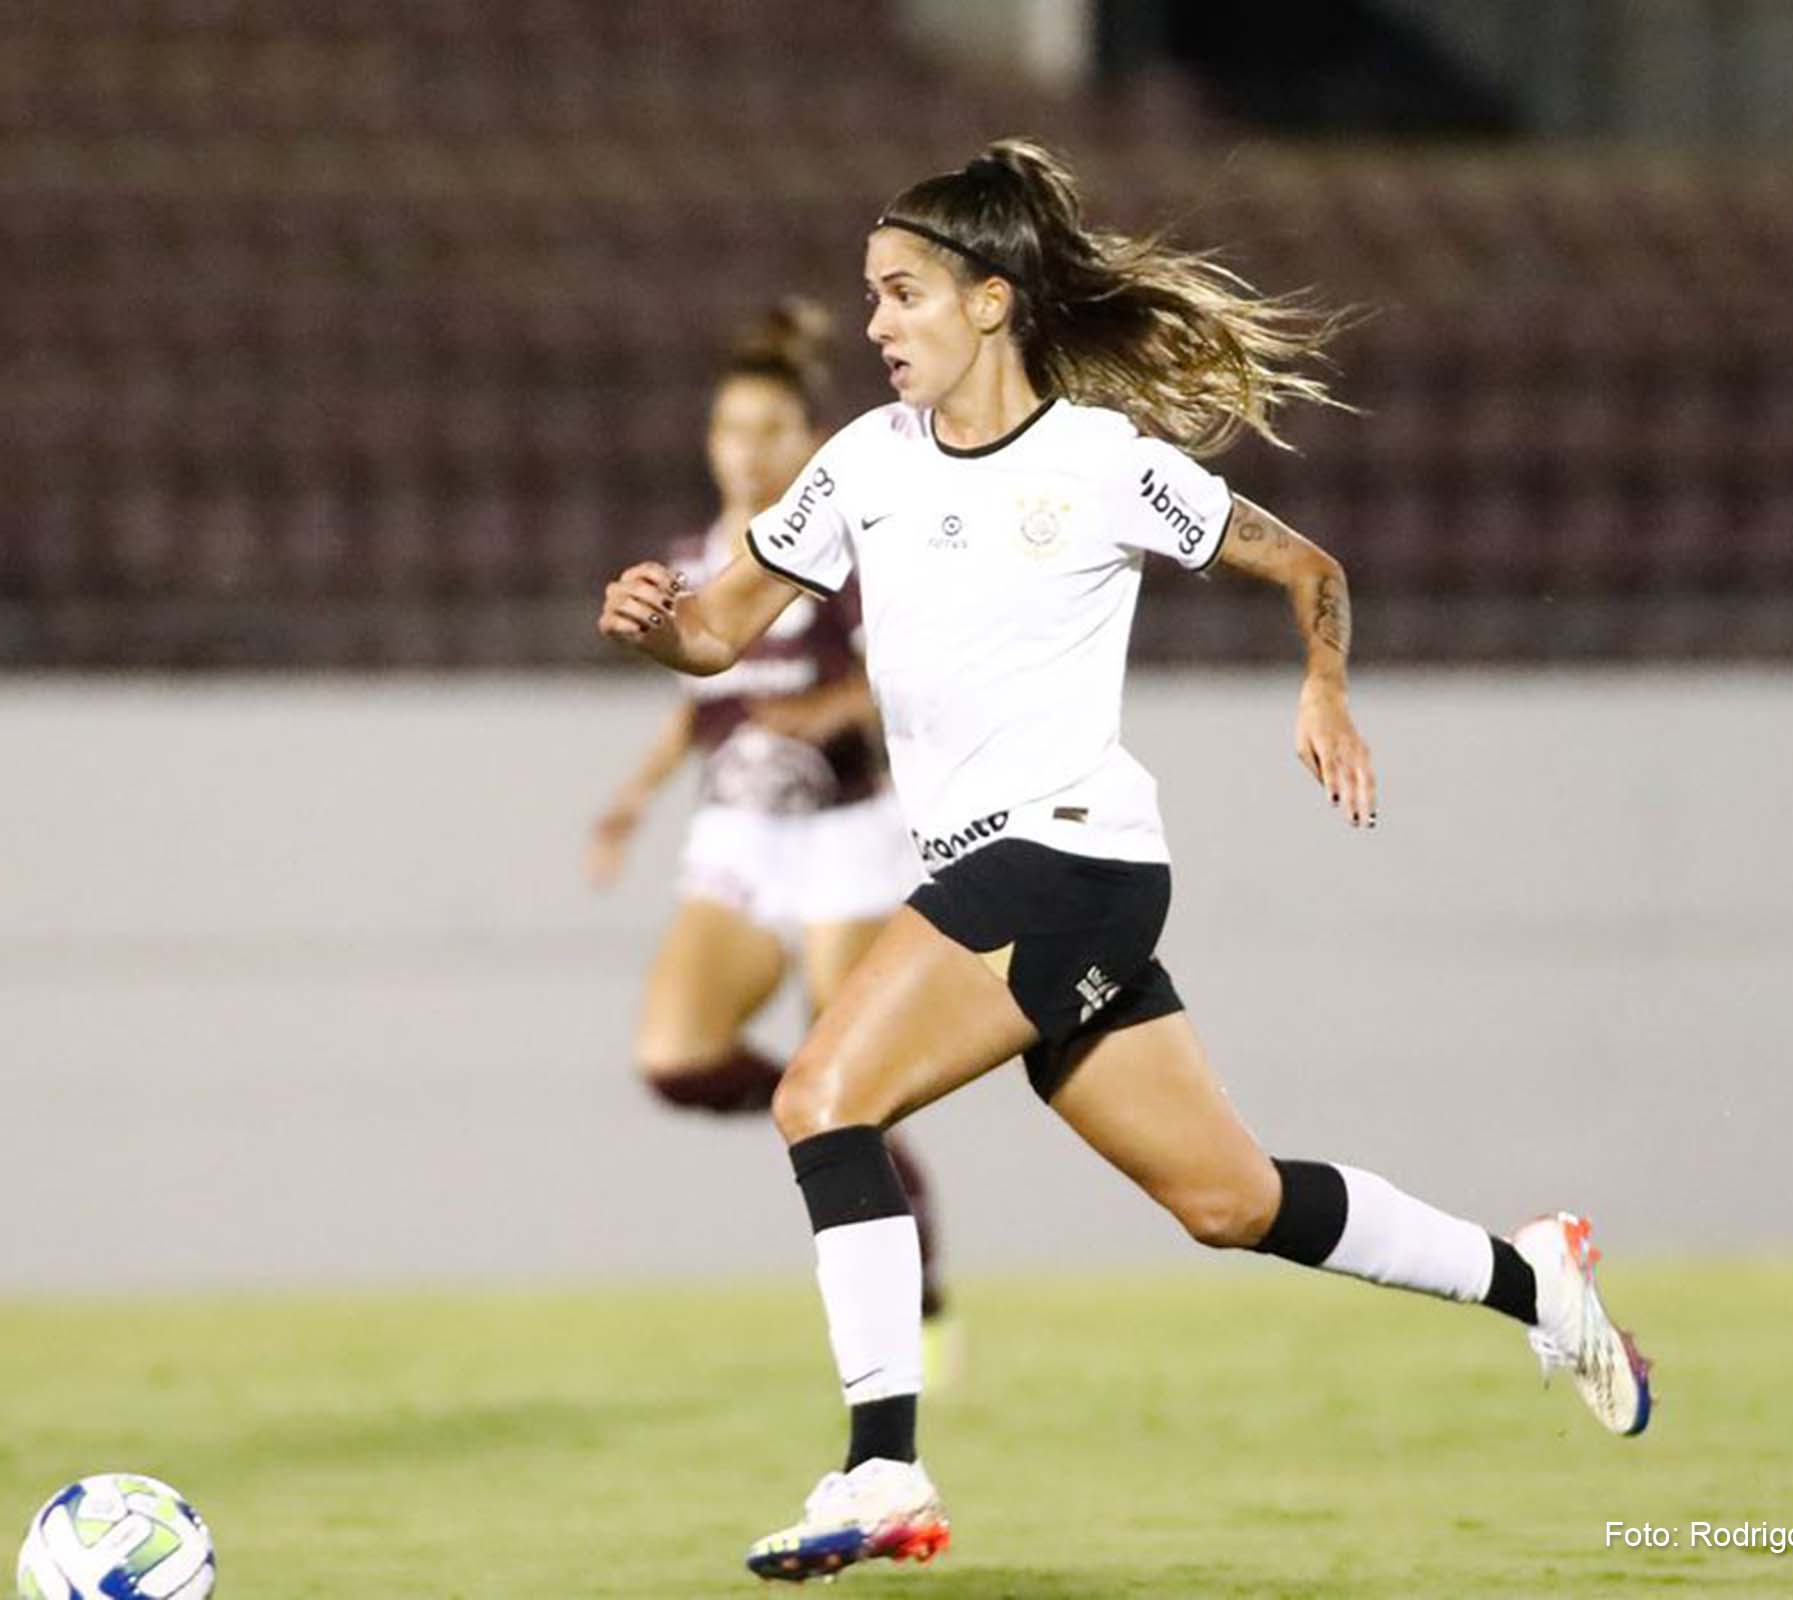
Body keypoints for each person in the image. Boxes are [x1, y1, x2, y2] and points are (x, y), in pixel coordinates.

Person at [597, 141, 1653, 1585]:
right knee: (1232, 1204)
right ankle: (1541, 1280)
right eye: (871, 296)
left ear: (991, 300)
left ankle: (882, 1468)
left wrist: (1324, 684)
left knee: (819, 1095)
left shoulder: (1099, 465)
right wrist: (658, 619)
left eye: (901, 293)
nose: (878, 323)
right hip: (1008, 877)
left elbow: (1308, 567)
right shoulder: (863, 466)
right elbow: (717, 633)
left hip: (1069, 864)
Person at [585, 300, 953, 1337]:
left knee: (855, 1083)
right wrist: (635, 793)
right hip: (741, 838)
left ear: (807, 443)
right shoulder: (693, 556)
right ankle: (829, 1126)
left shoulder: (843, 546)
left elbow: (894, 675)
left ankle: (899, 1292)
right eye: (727, 430)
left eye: (766, 431)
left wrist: (818, 711)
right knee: (675, 1055)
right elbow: (700, 697)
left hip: (848, 837)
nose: (743, 452)